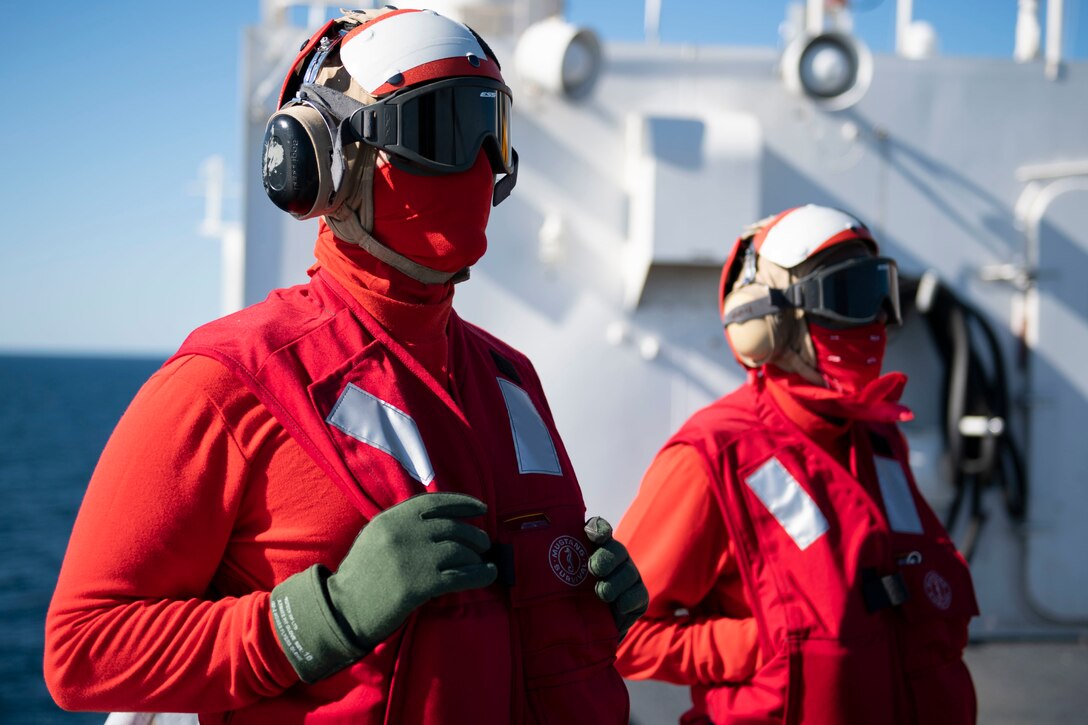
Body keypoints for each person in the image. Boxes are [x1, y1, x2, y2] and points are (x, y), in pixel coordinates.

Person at [44, 8, 647, 723]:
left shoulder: (510, 379)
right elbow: (82, 650)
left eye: (494, 130)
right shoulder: (227, 381)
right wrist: (323, 616)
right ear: (326, 162)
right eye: (442, 130)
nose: (483, 163)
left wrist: (582, 603)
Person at [613, 204, 978, 724]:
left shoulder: (878, 440)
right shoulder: (712, 456)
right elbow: (618, 629)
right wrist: (759, 641)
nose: (874, 321)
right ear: (768, 323)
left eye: (880, 295)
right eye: (850, 298)